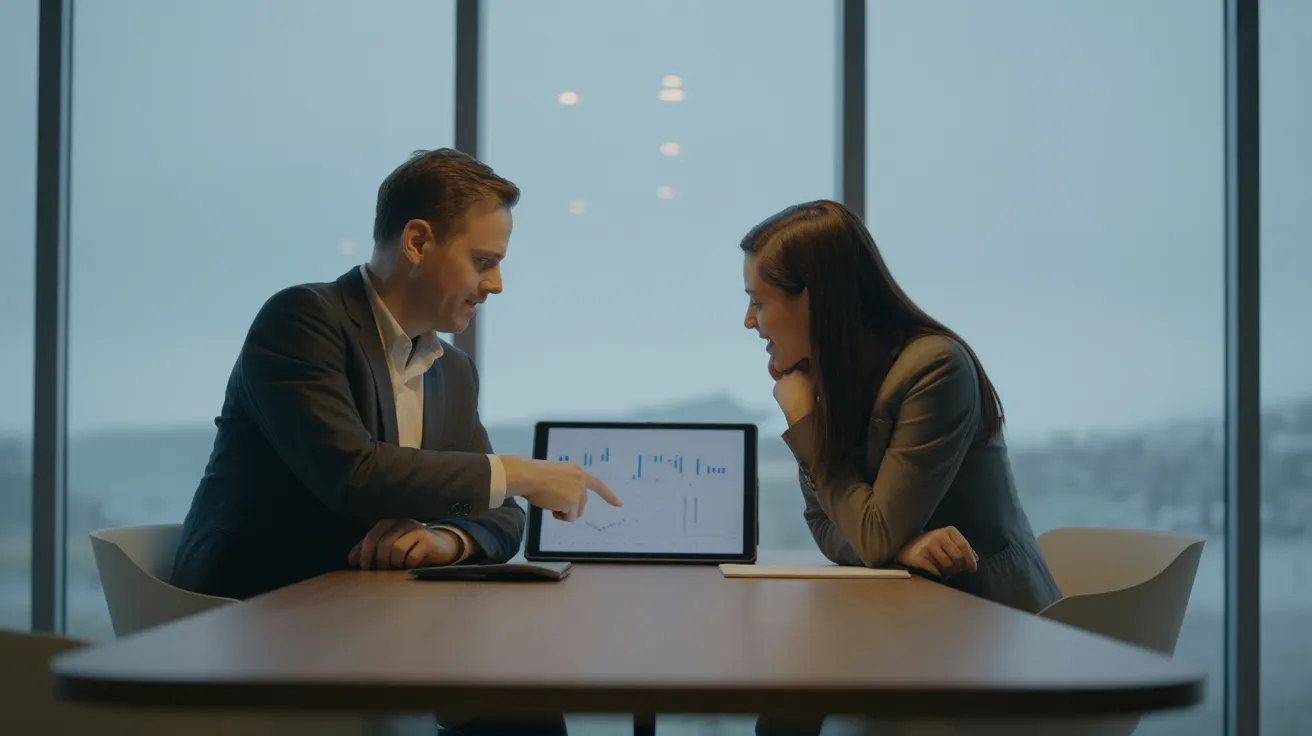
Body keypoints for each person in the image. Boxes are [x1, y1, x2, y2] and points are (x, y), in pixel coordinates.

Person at [170, 148, 619, 736]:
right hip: (258, 620)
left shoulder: (452, 371)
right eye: (483, 261)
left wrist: (444, 539)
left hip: (373, 621)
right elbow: (352, 474)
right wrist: (525, 472)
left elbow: (502, 516)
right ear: (417, 242)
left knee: (521, 699)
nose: (496, 284)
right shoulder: (302, 321)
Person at [741, 199, 1061, 736]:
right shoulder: (833, 378)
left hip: (993, 638)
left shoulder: (935, 368)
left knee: (793, 707)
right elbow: (827, 526)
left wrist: (803, 420)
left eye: (758, 302)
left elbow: (867, 533)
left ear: (813, 299)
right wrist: (899, 548)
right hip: (917, 627)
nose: (749, 321)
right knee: (787, 708)